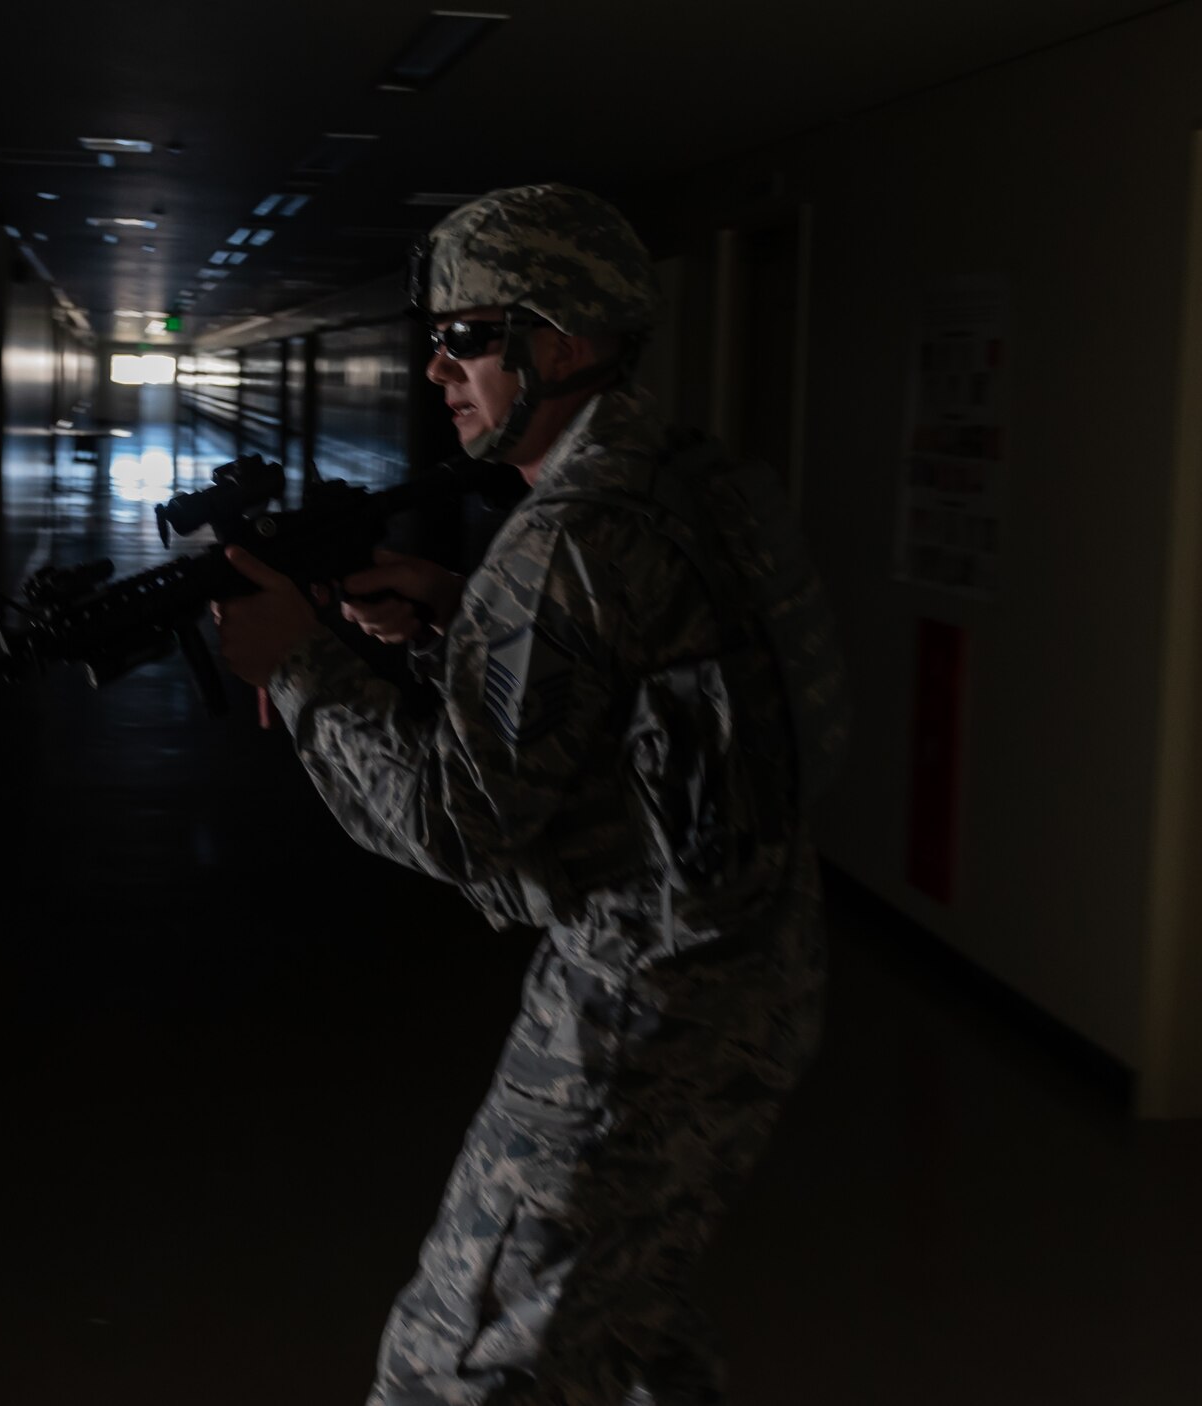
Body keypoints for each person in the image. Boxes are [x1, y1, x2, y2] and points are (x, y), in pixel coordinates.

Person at [212, 184, 848, 1405]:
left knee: (459, 1360)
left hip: (639, 1004)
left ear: (558, 341)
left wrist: (295, 666)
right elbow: (670, 676)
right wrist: (460, 610)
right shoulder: (680, 474)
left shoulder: (564, 532)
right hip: (755, 962)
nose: (435, 366)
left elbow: (458, 818)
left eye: (464, 335)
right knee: (620, 1331)